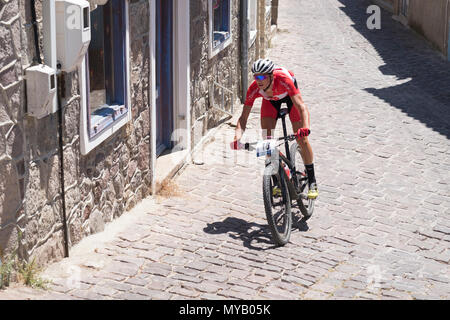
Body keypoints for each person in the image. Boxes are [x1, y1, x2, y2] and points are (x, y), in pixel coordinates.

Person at [230, 58, 318, 199]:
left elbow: (301, 107)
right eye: (255, 76)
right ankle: (277, 180)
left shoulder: (283, 80)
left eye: (261, 76)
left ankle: (312, 180)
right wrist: (237, 137)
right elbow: (243, 117)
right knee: (267, 142)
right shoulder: (254, 88)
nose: (258, 80)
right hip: (271, 102)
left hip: (290, 99)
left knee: (302, 138)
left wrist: (306, 128)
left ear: (271, 76)